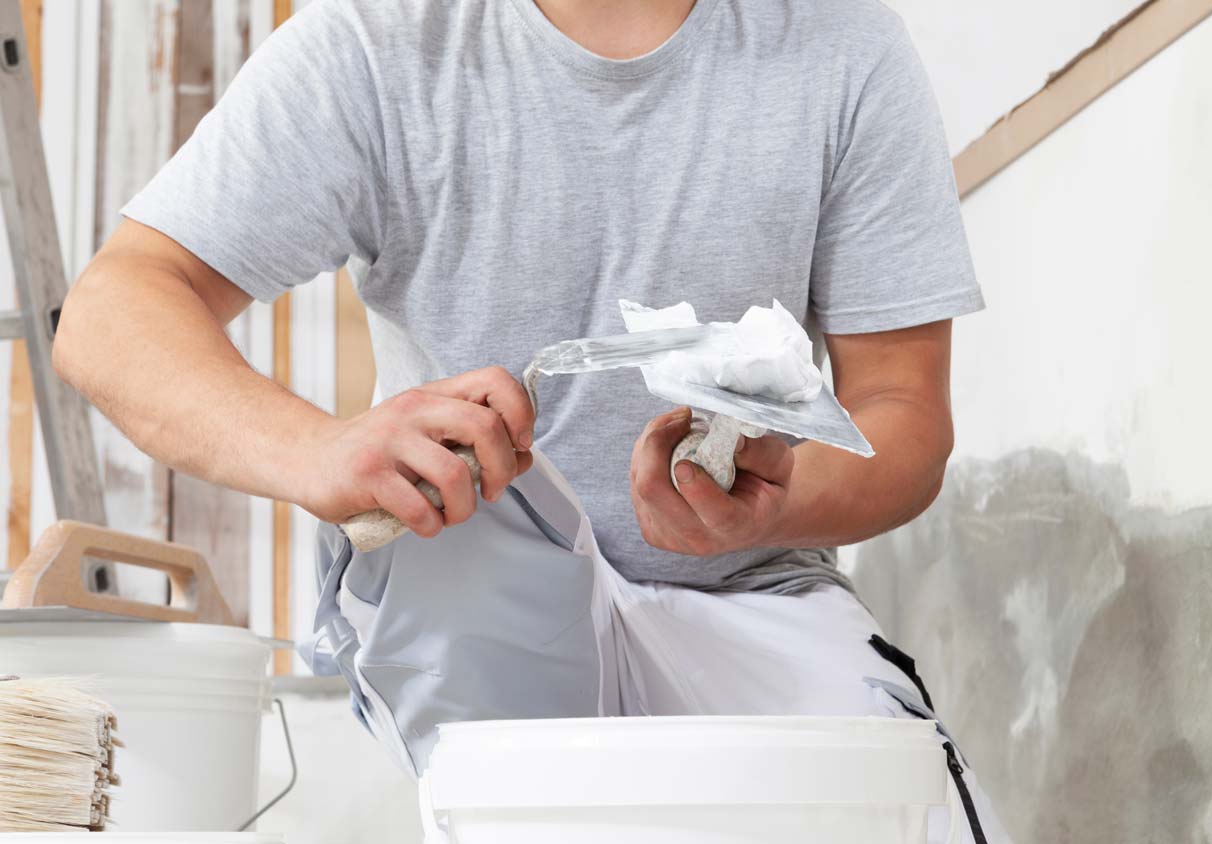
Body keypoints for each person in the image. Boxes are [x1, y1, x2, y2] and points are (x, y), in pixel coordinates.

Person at [54, 1, 1002, 840]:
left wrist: (773, 505)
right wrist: (321, 447)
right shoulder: (378, 48)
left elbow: (904, 412)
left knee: (892, 795)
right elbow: (113, 313)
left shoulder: (842, 46)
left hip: (756, 596)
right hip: (482, 585)